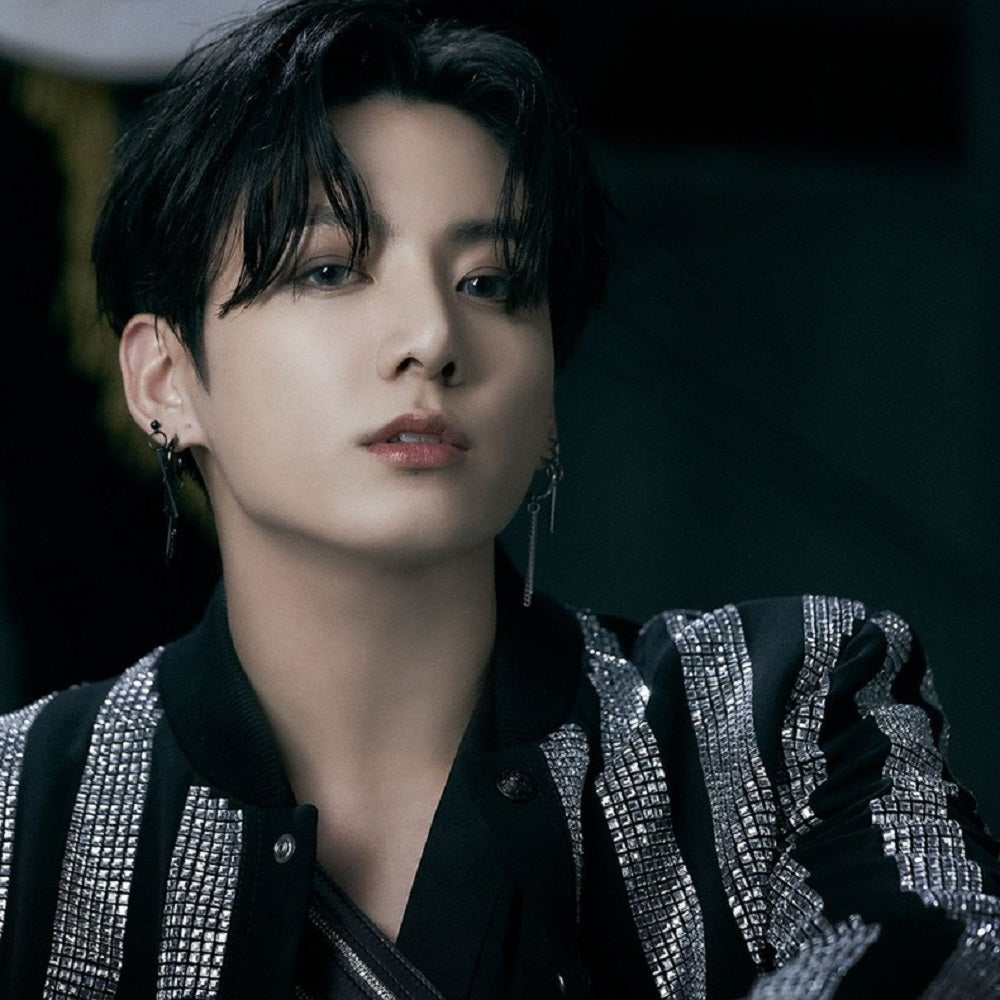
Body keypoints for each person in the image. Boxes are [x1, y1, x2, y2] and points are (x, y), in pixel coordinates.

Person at [1, 0, 997, 996]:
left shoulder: (780, 715)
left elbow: (942, 958)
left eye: (489, 284)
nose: (433, 337)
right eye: (331, 268)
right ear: (165, 380)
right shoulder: (24, 810)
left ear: (549, 398)